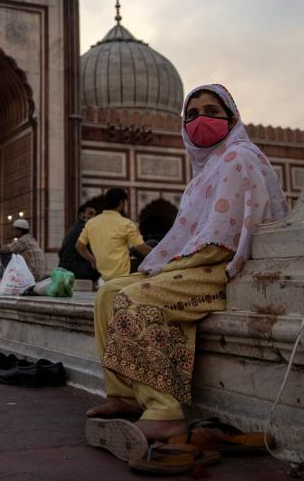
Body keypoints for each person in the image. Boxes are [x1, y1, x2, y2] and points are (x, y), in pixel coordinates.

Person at [84, 84, 288, 456]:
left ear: (231, 118)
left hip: (226, 269)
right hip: (195, 265)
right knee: (106, 295)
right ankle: (126, 394)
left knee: (133, 299)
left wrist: (167, 271)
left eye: (211, 111)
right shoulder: (205, 170)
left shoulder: (239, 157)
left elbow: (220, 241)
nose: (200, 121)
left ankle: (165, 412)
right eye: (191, 114)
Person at [76, 189, 151, 283]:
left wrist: (93, 260)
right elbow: (142, 249)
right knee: (152, 246)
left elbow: (79, 246)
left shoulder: (91, 223)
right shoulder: (126, 224)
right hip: (122, 277)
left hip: (103, 277)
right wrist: (163, 256)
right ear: (121, 202)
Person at [59, 204, 98, 285]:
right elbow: (81, 247)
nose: (94, 217)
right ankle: (95, 284)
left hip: (63, 269)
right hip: (75, 270)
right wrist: (93, 261)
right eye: (90, 213)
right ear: (82, 215)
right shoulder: (85, 228)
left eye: (94, 214)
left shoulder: (74, 227)